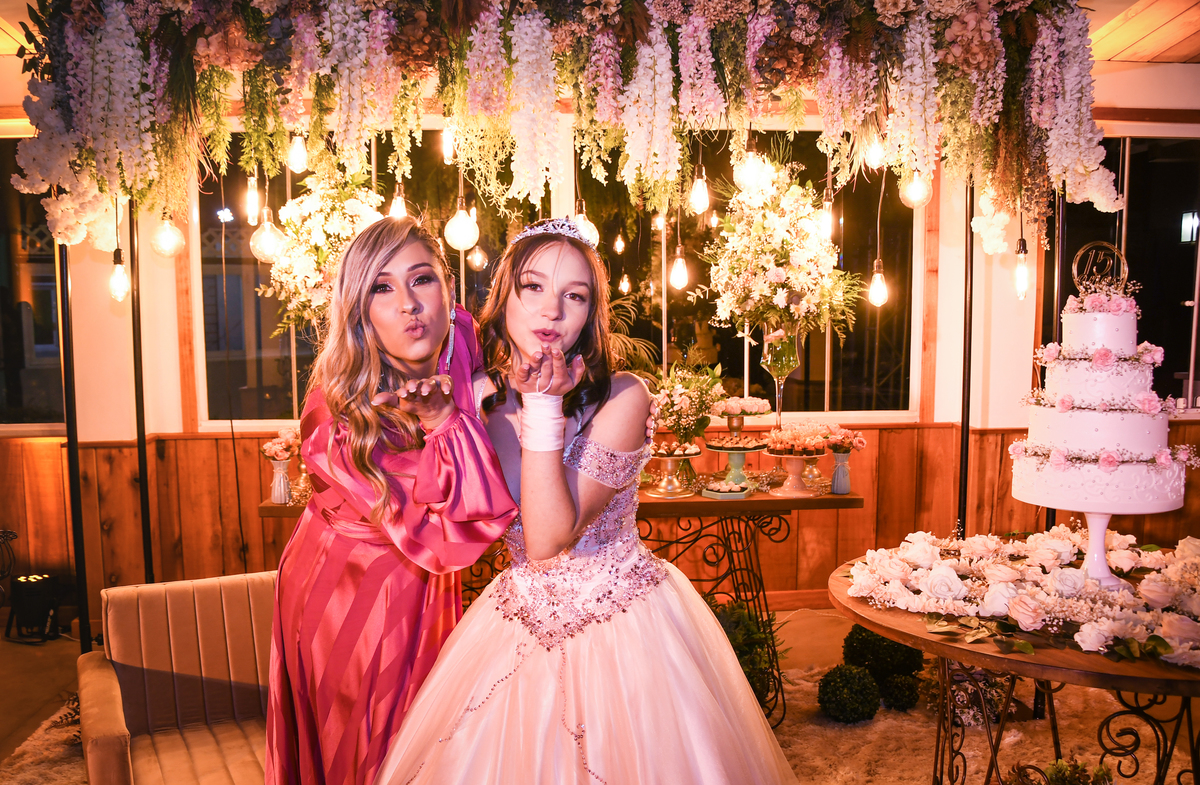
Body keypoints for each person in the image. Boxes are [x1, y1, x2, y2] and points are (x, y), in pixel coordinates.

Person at [374, 218, 798, 784]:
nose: (551, 310)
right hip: (515, 623)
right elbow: (450, 514)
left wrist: (543, 405)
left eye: (574, 296)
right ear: (503, 299)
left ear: (590, 313)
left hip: (624, 623)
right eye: (533, 287)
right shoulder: (477, 401)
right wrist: (440, 423)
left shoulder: (623, 397)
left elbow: (549, 536)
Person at [265, 216, 519, 785]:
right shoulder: (335, 418)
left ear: (447, 286)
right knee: (372, 753)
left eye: (421, 279)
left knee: (435, 743)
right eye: (382, 288)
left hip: (426, 579)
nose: (409, 304)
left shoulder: (461, 335)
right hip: (348, 591)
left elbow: (492, 384)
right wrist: (444, 421)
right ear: (361, 312)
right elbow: (456, 519)